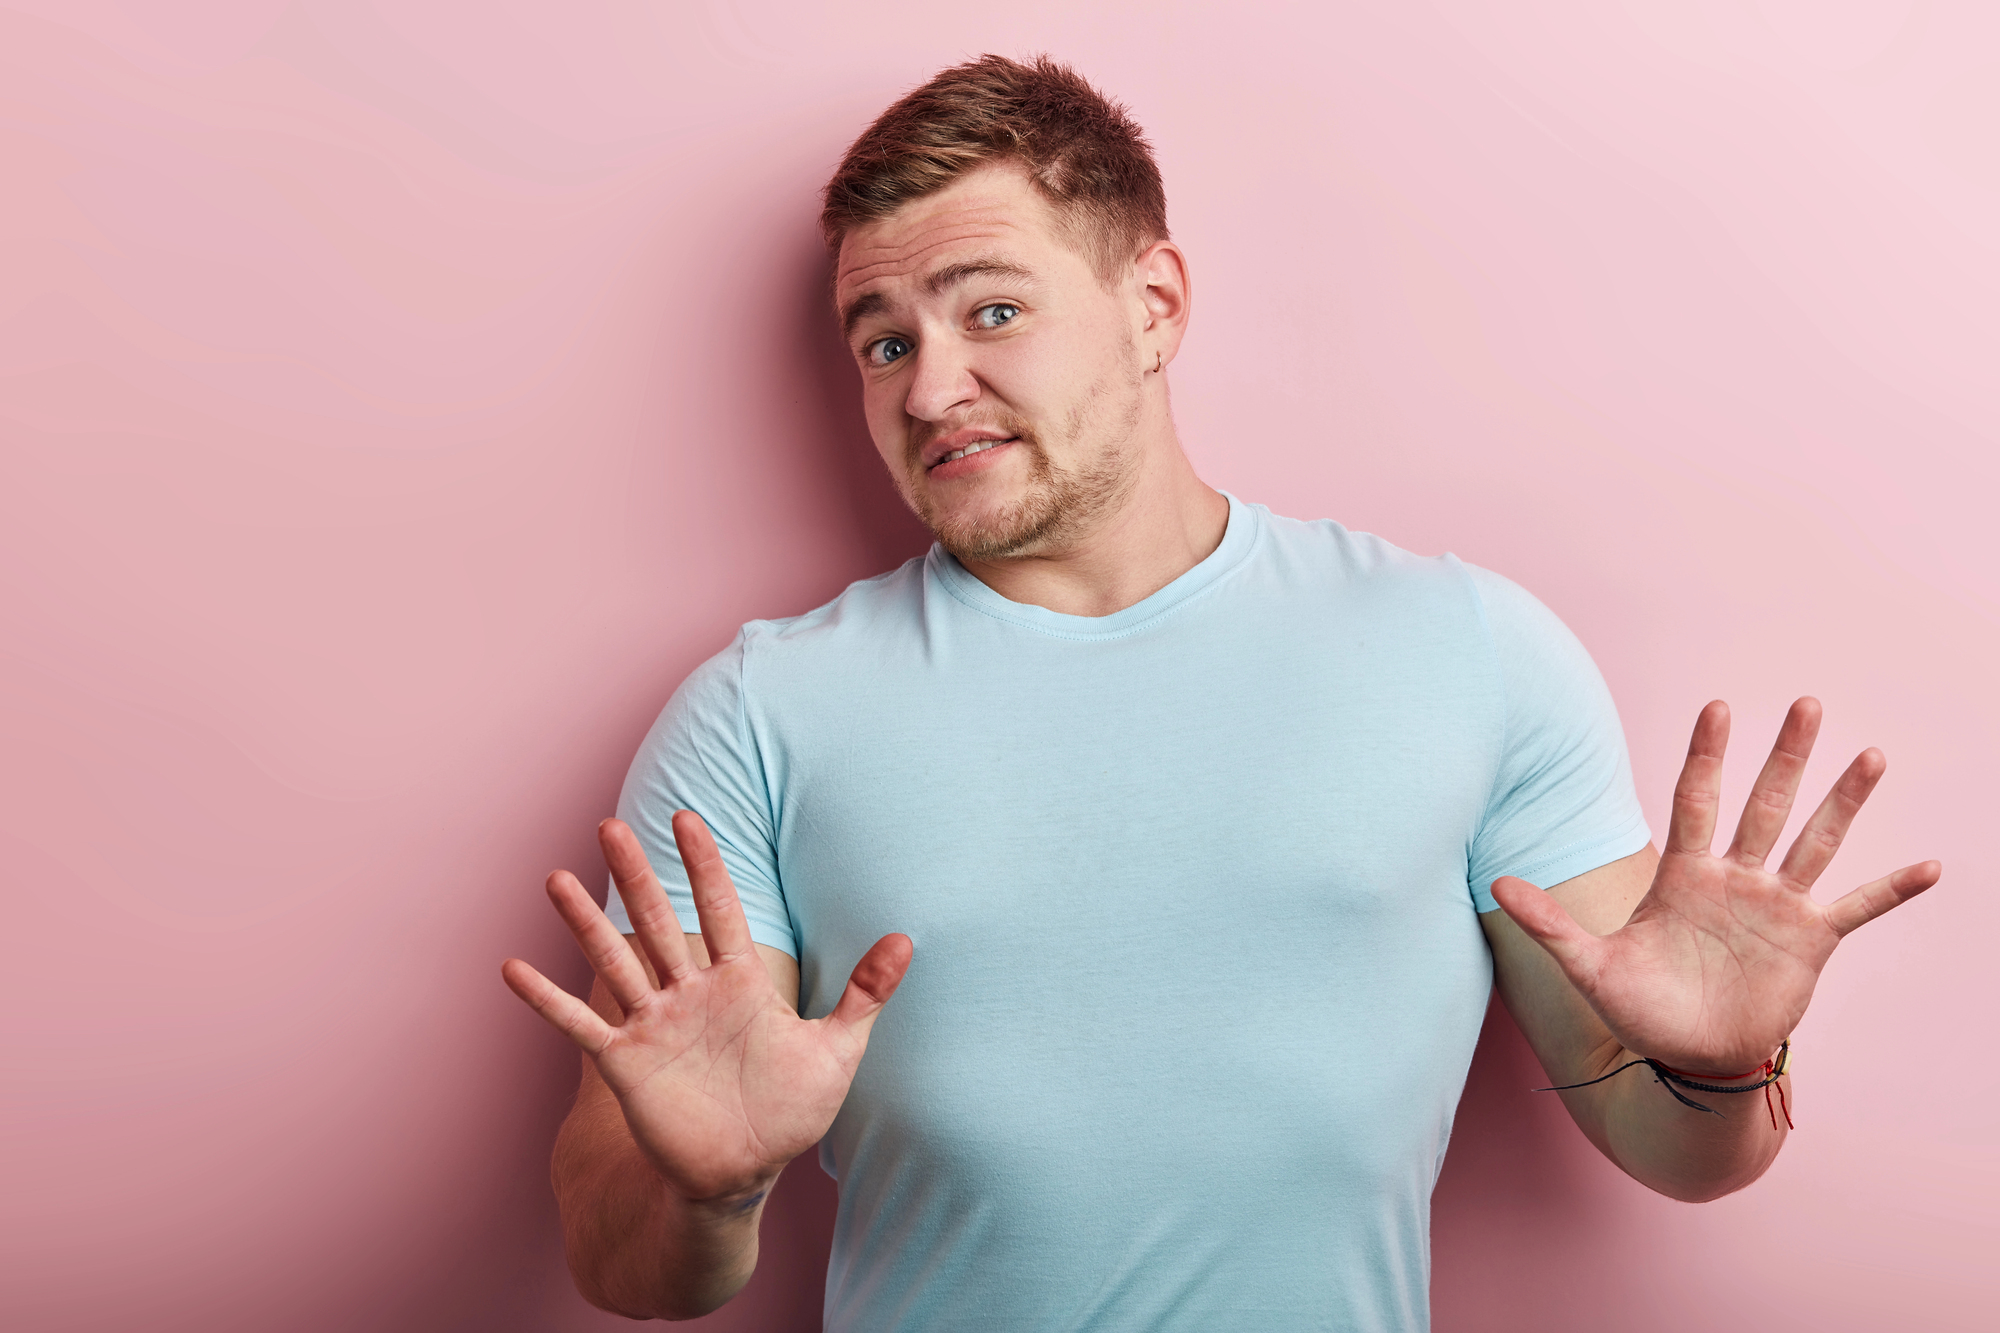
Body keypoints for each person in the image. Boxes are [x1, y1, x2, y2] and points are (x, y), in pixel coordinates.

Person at [500, 55, 1939, 1331]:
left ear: (1154, 305)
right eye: (884, 340)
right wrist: (709, 1183)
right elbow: (623, 1260)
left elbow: (1687, 1156)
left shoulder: (1465, 650)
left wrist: (1720, 1061)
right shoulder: (759, 715)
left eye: (990, 310)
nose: (931, 387)